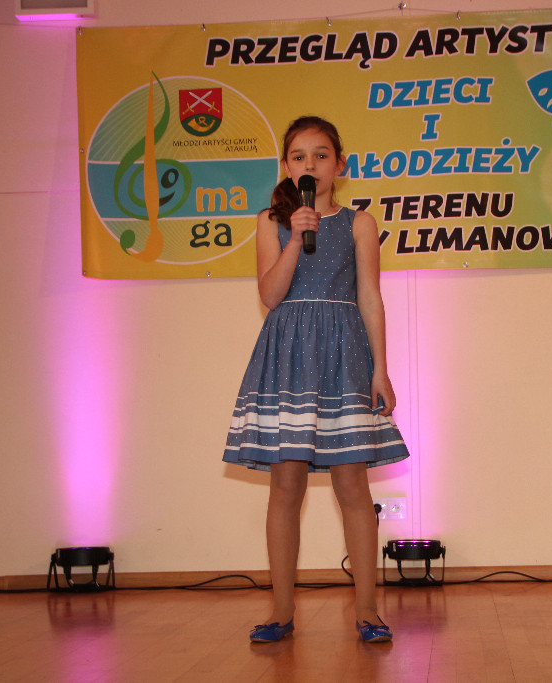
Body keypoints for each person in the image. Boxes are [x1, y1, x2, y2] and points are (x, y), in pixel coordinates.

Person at [224, 115, 410, 644]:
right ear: (287, 166)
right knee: (286, 486)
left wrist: (380, 368)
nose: (311, 164)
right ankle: (281, 611)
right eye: (299, 156)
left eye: (321, 155)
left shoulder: (359, 223)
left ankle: (368, 611)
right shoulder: (271, 221)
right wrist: (295, 236)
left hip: (344, 355)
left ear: (340, 165)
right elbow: (270, 294)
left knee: (352, 484)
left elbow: (370, 297)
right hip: (286, 356)